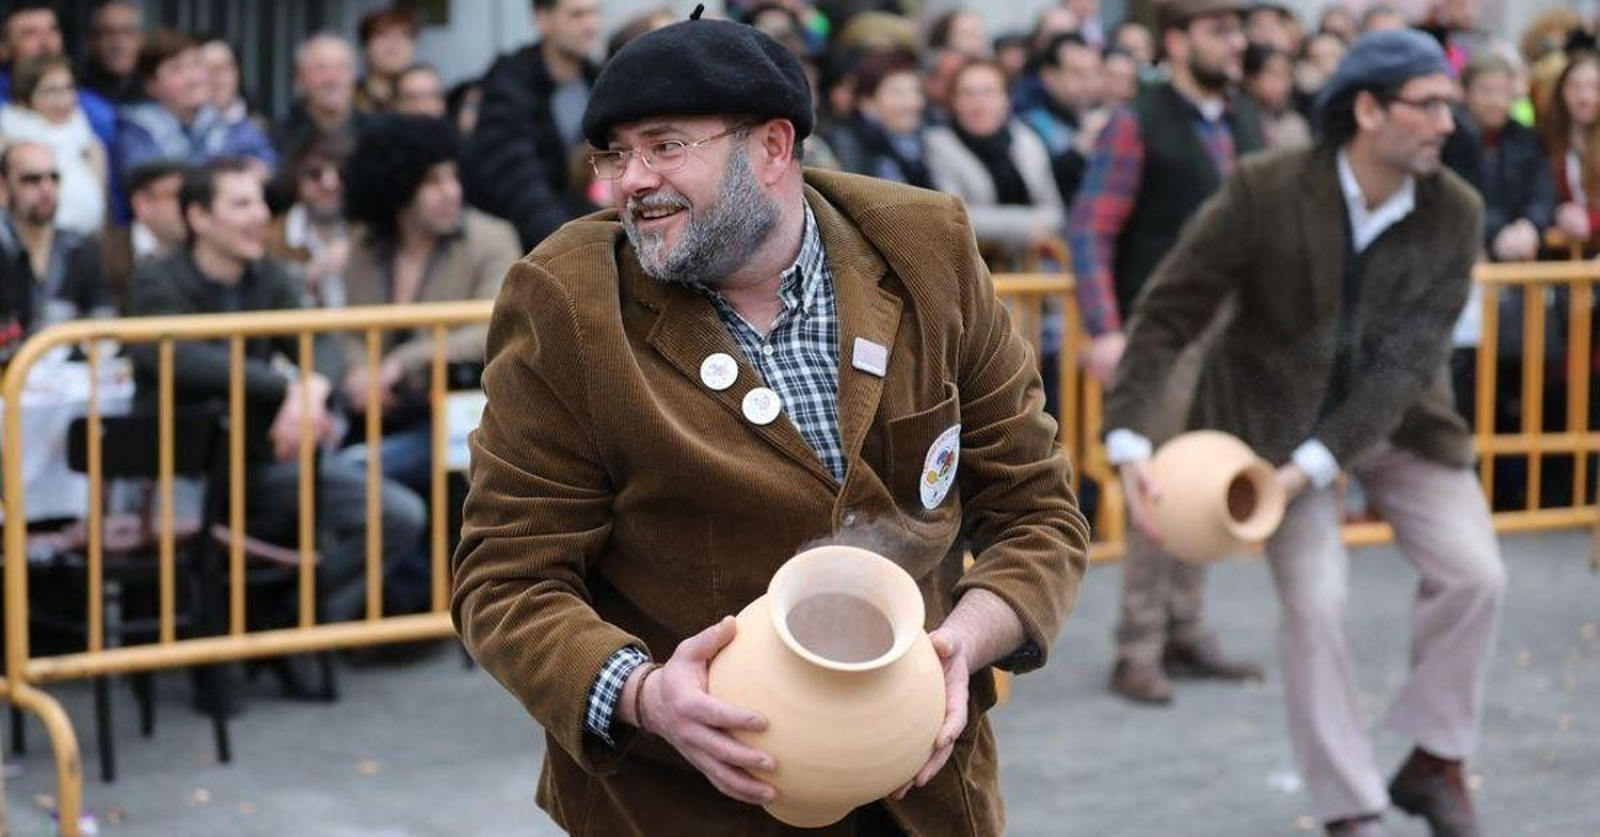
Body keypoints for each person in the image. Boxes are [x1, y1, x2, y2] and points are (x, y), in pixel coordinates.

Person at [452, 11, 1089, 835]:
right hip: (686, 803)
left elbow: (1039, 511)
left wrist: (961, 644)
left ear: (773, 147)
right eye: (616, 153)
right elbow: (506, 578)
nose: (631, 181)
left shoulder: (926, 247)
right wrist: (647, 695)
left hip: (923, 792)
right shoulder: (566, 302)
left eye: (665, 144)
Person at [1106, 28, 1504, 837]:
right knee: (1317, 604)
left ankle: (1434, 758)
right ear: (1366, 108)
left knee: (1477, 575)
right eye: (1428, 105)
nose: (1447, 123)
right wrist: (1128, 442)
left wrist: (1314, 468)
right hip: (1272, 429)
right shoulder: (1265, 187)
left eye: (1450, 105)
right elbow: (1169, 310)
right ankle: (1350, 807)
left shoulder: (1455, 210)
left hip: (1403, 423)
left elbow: (1402, 368)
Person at [126, 158, 428, 623]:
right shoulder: (156, 280)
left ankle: (291, 621)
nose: (260, 215)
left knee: (399, 514)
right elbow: (177, 357)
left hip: (261, 466)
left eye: (262, 202)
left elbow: (322, 344)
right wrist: (284, 387)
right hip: (181, 473)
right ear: (198, 218)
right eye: (242, 203)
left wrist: (311, 388)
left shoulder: (268, 275)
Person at [1068, 0, 1265, 705]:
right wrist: (1107, 327)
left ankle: (1185, 628)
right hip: (1159, 333)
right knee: (1157, 488)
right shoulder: (1138, 121)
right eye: (1219, 29)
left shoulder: (1243, 119)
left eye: (1239, 28)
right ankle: (1138, 647)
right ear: (1177, 41)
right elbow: (1090, 230)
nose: (1236, 41)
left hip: (1233, 333)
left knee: (1209, 480)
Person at [336, 114, 518, 495]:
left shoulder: (492, 238)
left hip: (461, 413)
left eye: (453, 177)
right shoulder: (365, 247)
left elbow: (495, 324)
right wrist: (360, 375)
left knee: (353, 472)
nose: (451, 191)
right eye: (433, 182)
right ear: (398, 188)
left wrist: (403, 362)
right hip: (378, 415)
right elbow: (349, 328)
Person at [463, 0, 602, 250]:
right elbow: (515, 177)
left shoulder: (599, 81)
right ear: (543, 19)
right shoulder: (509, 85)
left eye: (594, 13)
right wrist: (567, 245)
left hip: (587, 232)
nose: (591, 25)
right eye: (577, 15)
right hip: (536, 246)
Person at [925, 58, 1065, 259]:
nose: (979, 103)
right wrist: (1025, 226)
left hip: (1030, 267)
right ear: (954, 102)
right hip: (970, 267)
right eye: (967, 94)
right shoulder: (939, 145)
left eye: (989, 92)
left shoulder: (1026, 140)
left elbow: (1055, 212)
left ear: (1006, 99)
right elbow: (954, 218)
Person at [114, 29, 277, 187]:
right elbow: (153, 185)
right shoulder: (136, 129)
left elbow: (270, 170)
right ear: (151, 84)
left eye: (196, 64)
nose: (193, 78)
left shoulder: (228, 123)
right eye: (176, 69)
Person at [0, 142, 108, 338]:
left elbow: (103, 323)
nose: (46, 187)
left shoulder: (81, 248)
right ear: (3, 186)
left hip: (73, 365)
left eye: (53, 177)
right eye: (31, 179)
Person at [0, 55, 109, 235]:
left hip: (84, 244)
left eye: (69, 88)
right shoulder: (7, 140)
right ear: (27, 95)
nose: (63, 100)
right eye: (51, 91)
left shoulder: (89, 141)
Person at [0, 5, 117, 157]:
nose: (45, 42)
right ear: (4, 48)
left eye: (52, 30)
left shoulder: (96, 111)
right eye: (30, 33)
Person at [822, 50, 934, 189]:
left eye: (916, 91)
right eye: (898, 93)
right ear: (866, 102)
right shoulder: (846, 143)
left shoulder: (921, 143)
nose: (912, 102)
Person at [1020, 32, 1109, 204]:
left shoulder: (1109, 117)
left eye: (1095, 72)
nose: (1088, 82)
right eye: (1077, 73)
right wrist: (1080, 148)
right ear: (1049, 76)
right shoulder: (1030, 127)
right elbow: (1040, 189)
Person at [267, 133, 352, 309]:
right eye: (315, 174)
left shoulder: (366, 236)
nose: (330, 184)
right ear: (296, 179)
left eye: (341, 173)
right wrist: (308, 278)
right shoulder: (270, 239)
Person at [102, 159, 188, 308]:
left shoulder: (199, 252)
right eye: (175, 196)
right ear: (142, 203)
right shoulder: (103, 251)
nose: (186, 206)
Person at [1539, 50, 1600, 253]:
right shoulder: (1549, 140)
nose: (1585, 97)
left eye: (1594, 87)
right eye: (1575, 86)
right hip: (1566, 255)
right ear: (1562, 91)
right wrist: (1559, 213)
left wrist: (1591, 221)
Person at [272, 34, 364, 162]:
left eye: (341, 68)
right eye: (321, 69)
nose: (332, 78)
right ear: (300, 81)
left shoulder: (376, 136)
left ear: (354, 79)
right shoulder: (278, 140)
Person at [1243, 43, 1311, 148]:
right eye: (1275, 74)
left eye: (1288, 75)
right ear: (1251, 79)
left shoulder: (1293, 123)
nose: (1284, 84)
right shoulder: (1234, 121)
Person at [354, 6, 420, 113]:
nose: (394, 44)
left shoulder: (427, 99)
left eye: (404, 35)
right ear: (365, 47)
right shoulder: (347, 99)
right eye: (382, 34)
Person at [79, 1, 144, 105]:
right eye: (108, 33)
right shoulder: (76, 95)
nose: (118, 43)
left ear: (140, 39)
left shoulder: (156, 91)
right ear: (92, 42)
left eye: (127, 32)